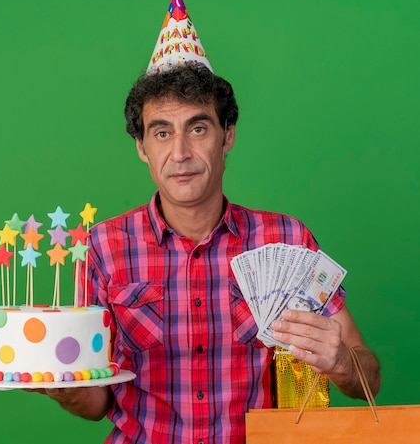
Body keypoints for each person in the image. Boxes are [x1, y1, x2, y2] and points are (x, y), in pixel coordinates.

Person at [36, 62, 381, 444]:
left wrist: (344, 364)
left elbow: (368, 376)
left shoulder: (287, 239)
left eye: (197, 129)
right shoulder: (103, 247)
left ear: (227, 136)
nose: (180, 152)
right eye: (162, 132)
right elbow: (97, 401)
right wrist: (67, 389)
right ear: (141, 147)